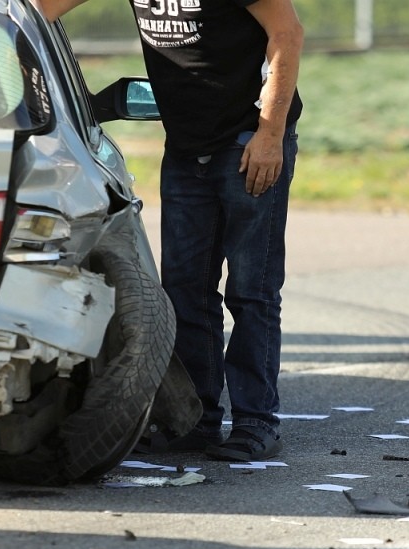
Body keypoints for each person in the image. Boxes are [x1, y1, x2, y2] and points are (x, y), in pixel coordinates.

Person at [40, 0, 303, 459]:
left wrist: (270, 134)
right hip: (185, 149)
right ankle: (195, 421)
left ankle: (256, 422)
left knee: (252, 290)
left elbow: (287, 34)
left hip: (248, 143)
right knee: (185, 290)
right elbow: (40, 8)